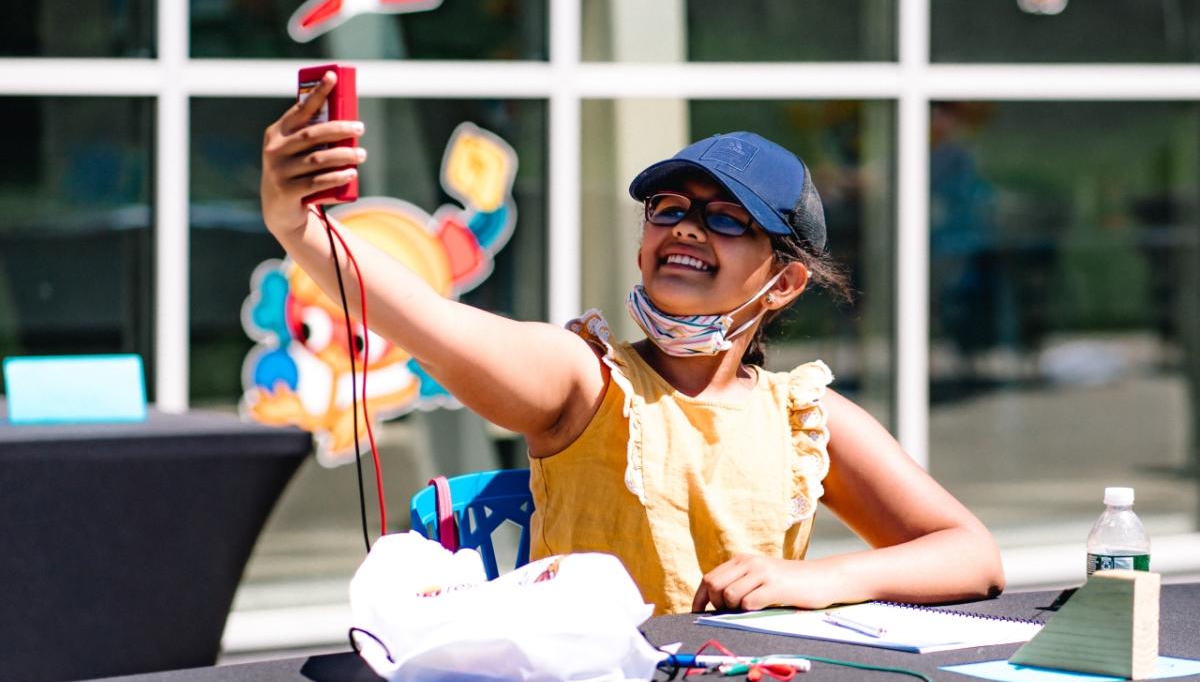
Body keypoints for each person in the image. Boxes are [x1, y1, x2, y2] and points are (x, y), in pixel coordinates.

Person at [261, 72, 1005, 615]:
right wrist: (300, 229)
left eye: (725, 219)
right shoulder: (585, 380)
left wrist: (823, 578)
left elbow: (974, 555)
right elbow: (431, 319)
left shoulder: (806, 417)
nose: (683, 226)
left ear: (783, 284)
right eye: (667, 207)